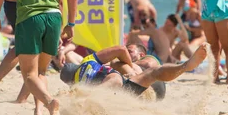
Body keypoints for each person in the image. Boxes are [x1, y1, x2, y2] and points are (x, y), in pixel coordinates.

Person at [59, 43, 210, 98]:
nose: (128, 52)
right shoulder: (88, 61)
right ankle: (185, 66)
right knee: (151, 72)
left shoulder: (78, 82)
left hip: (123, 86)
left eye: (131, 50)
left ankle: (185, 66)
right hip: (122, 86)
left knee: (146, 70)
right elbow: (120, 49)